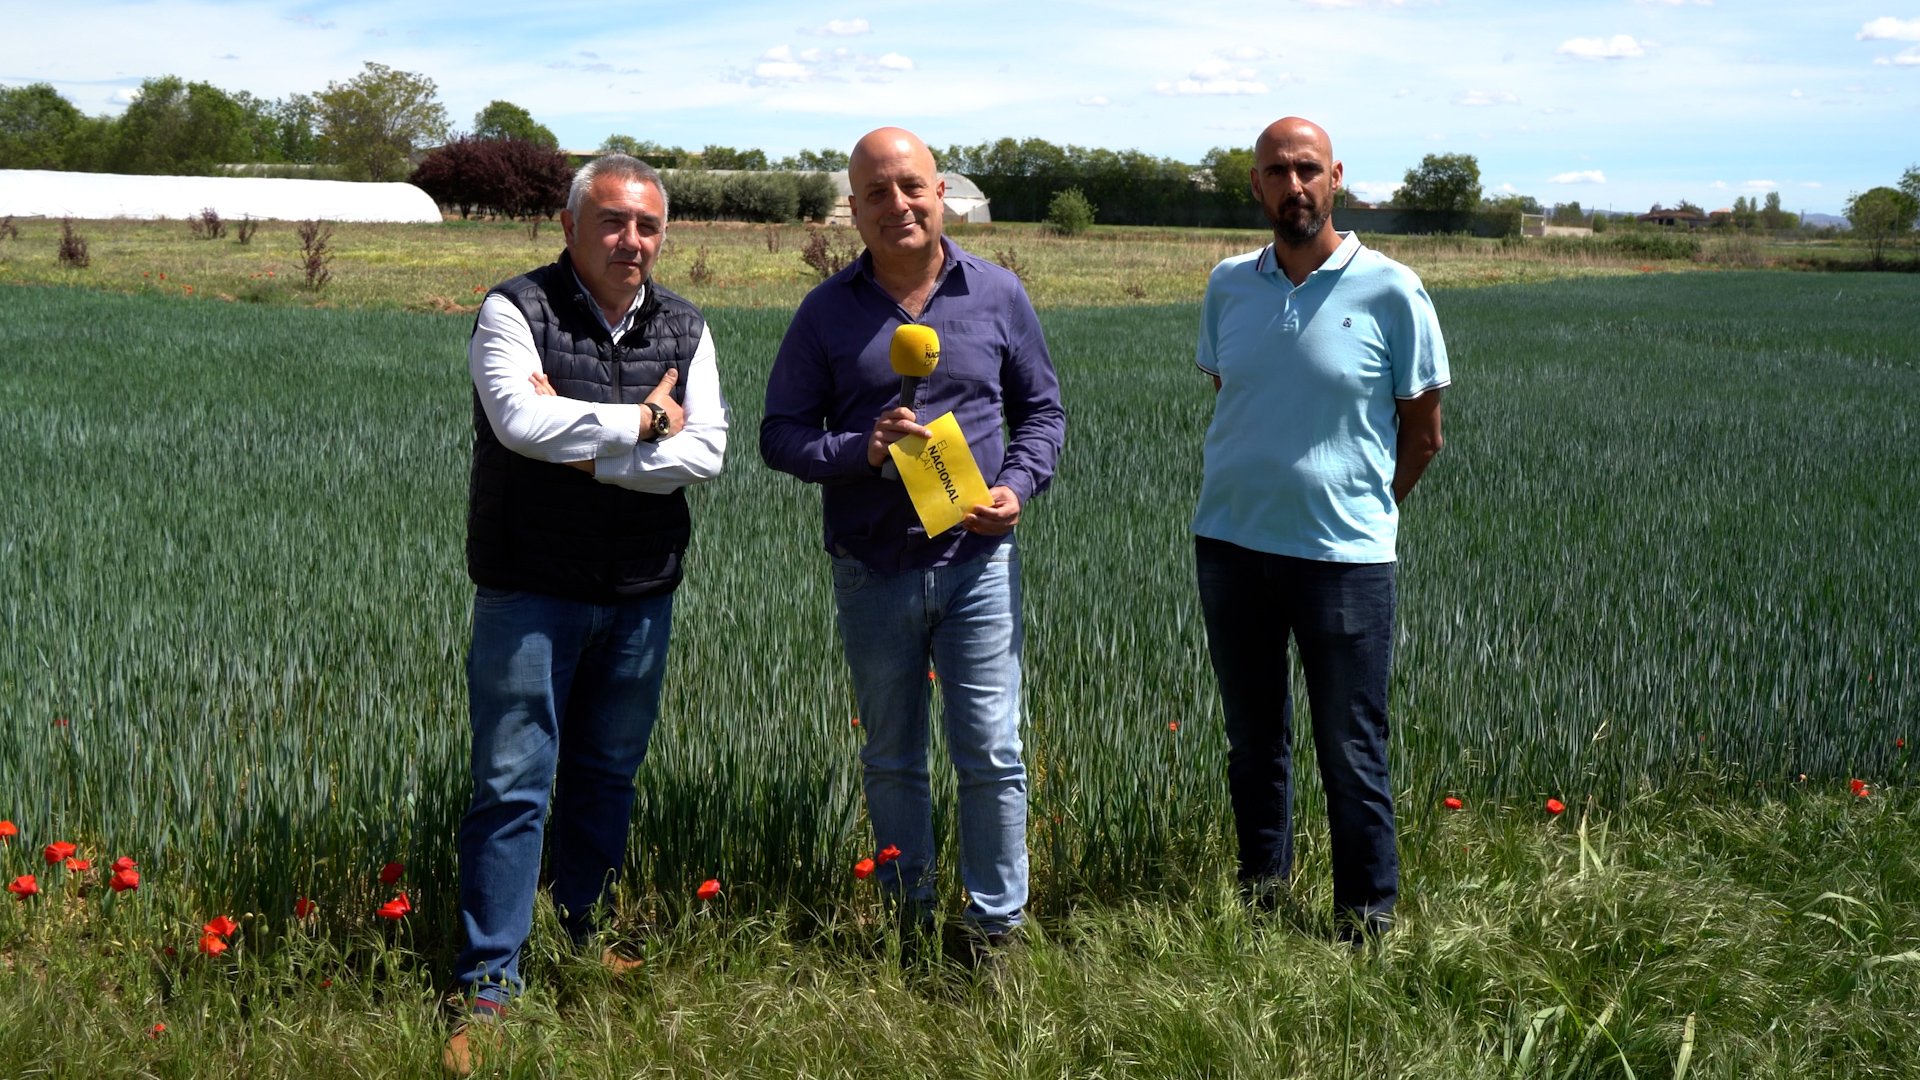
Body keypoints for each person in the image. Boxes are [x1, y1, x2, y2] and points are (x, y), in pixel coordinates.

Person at [448, 154, 727, 1071]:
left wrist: (589, 445)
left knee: (608, 774)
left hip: (641, 592)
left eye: (647, 226)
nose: (632, 241)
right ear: (568, 228)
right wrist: (645, 425)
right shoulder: (512, 310)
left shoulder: (686, 326)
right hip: (530, 588)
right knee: (512, 784)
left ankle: (579, 932)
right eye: (612, 221)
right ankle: (490, 981)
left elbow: (709, 453)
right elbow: (518, 428)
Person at [760, 127, 1065, 961]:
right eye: (877, 193)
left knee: (993, 754)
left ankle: (994, 932)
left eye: (912, 187)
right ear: (853, 210)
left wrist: (1017, 488)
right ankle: (909, 923)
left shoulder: (998, 293)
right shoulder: (825, 312)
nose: (897, 204)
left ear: (940, 195)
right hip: (872, 565)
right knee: (892, 757)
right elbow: (779, 434)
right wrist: (856, 449)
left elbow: (1042, 413)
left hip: (975, 562)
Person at [1191, 117, 1448, 944]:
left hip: (1343, 562)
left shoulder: (1392, 289)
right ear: (1256, 186)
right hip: (1230, 547)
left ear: (1335, 177)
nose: (1293, 185)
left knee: (1351, 750)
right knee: (1253, 742)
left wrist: (1363, 505)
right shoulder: (1228, 284)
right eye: (1276, 171)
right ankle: (1261, 898)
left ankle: (1365, 920)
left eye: (1308, 169)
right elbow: (1241, 394)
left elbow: (1424, 431)